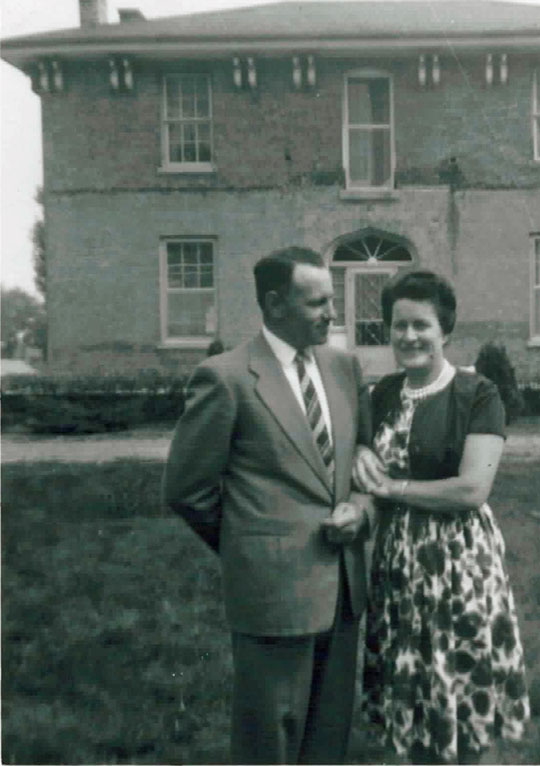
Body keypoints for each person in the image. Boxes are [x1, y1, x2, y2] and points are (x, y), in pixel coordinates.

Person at [163, 246, 383, 765]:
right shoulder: (227, 378)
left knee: (328, 739)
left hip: (344, 591)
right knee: (271, 740)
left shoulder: (345, 367)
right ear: (275, 304)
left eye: (332, 300)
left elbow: (365, 465)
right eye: (317, 303)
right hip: (271, 593)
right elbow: (186, 490)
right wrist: (253, 545)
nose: (333, 313)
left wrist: (361, 509)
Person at [353, 270, 530, 765]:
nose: (408, 336)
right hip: (398, 567)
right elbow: (359, 458)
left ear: (444, 331)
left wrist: (394, 489)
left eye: (421, 325)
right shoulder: (380, 395)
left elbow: (473, 488)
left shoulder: (478, 394)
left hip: (457, 567)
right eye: (398, 325)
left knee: (458, 687)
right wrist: (356, 458)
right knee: (411, 690)